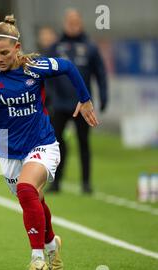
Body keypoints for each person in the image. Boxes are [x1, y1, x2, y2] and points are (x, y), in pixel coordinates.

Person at [0, 15, 98, 270]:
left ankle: (37, 258)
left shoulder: (34, 67)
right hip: (8, 149)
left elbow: (67, 66)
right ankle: (51, 243)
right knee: (32, 198)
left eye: (5, 52)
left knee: (25, 188)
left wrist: (85, 99)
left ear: (17, 48)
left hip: (42, 142)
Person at [46, 9, 108, 194]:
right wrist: (49, 96)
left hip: (82, 105)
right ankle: (56, 182)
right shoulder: (55, 47)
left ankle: (86, 183)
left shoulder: (90, 47)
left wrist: (104, 96)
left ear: (80, 23)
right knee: (56, 144)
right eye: (70, 22)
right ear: (65, 23)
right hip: (59, 104)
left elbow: (101, 73)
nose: (73, 25)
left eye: (76, 22)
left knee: (84, 143)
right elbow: (45, 73)